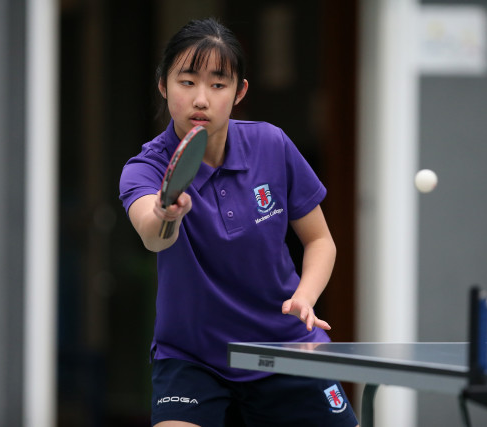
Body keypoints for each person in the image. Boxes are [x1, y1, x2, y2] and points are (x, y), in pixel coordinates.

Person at [119, 18, 358, 427]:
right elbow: (153, 236)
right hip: (192, 358)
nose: (201, 99)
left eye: (218, 84)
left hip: (283, 346)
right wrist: (165, 214)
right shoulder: (145, 168)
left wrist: (305, 297)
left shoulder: (272, 144)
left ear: (239, 92)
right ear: (163, 85)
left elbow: (320, 240)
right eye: (187, 82)